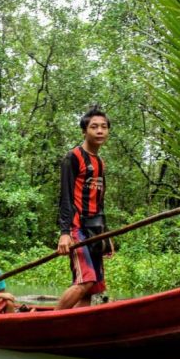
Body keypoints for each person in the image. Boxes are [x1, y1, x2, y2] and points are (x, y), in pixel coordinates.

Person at [56, 107, 113, 310]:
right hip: (76, 227)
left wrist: (105, 233)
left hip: (94, 229)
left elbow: (100, 200)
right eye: (94, 127)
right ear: (84, 131)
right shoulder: (73, 157)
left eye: (104, 127)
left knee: (93, 287)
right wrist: (65, 233)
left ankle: (73, 330)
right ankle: (48, 325)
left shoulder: (100, 162)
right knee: (85, 280)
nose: (100, 131)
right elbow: (65, 197)